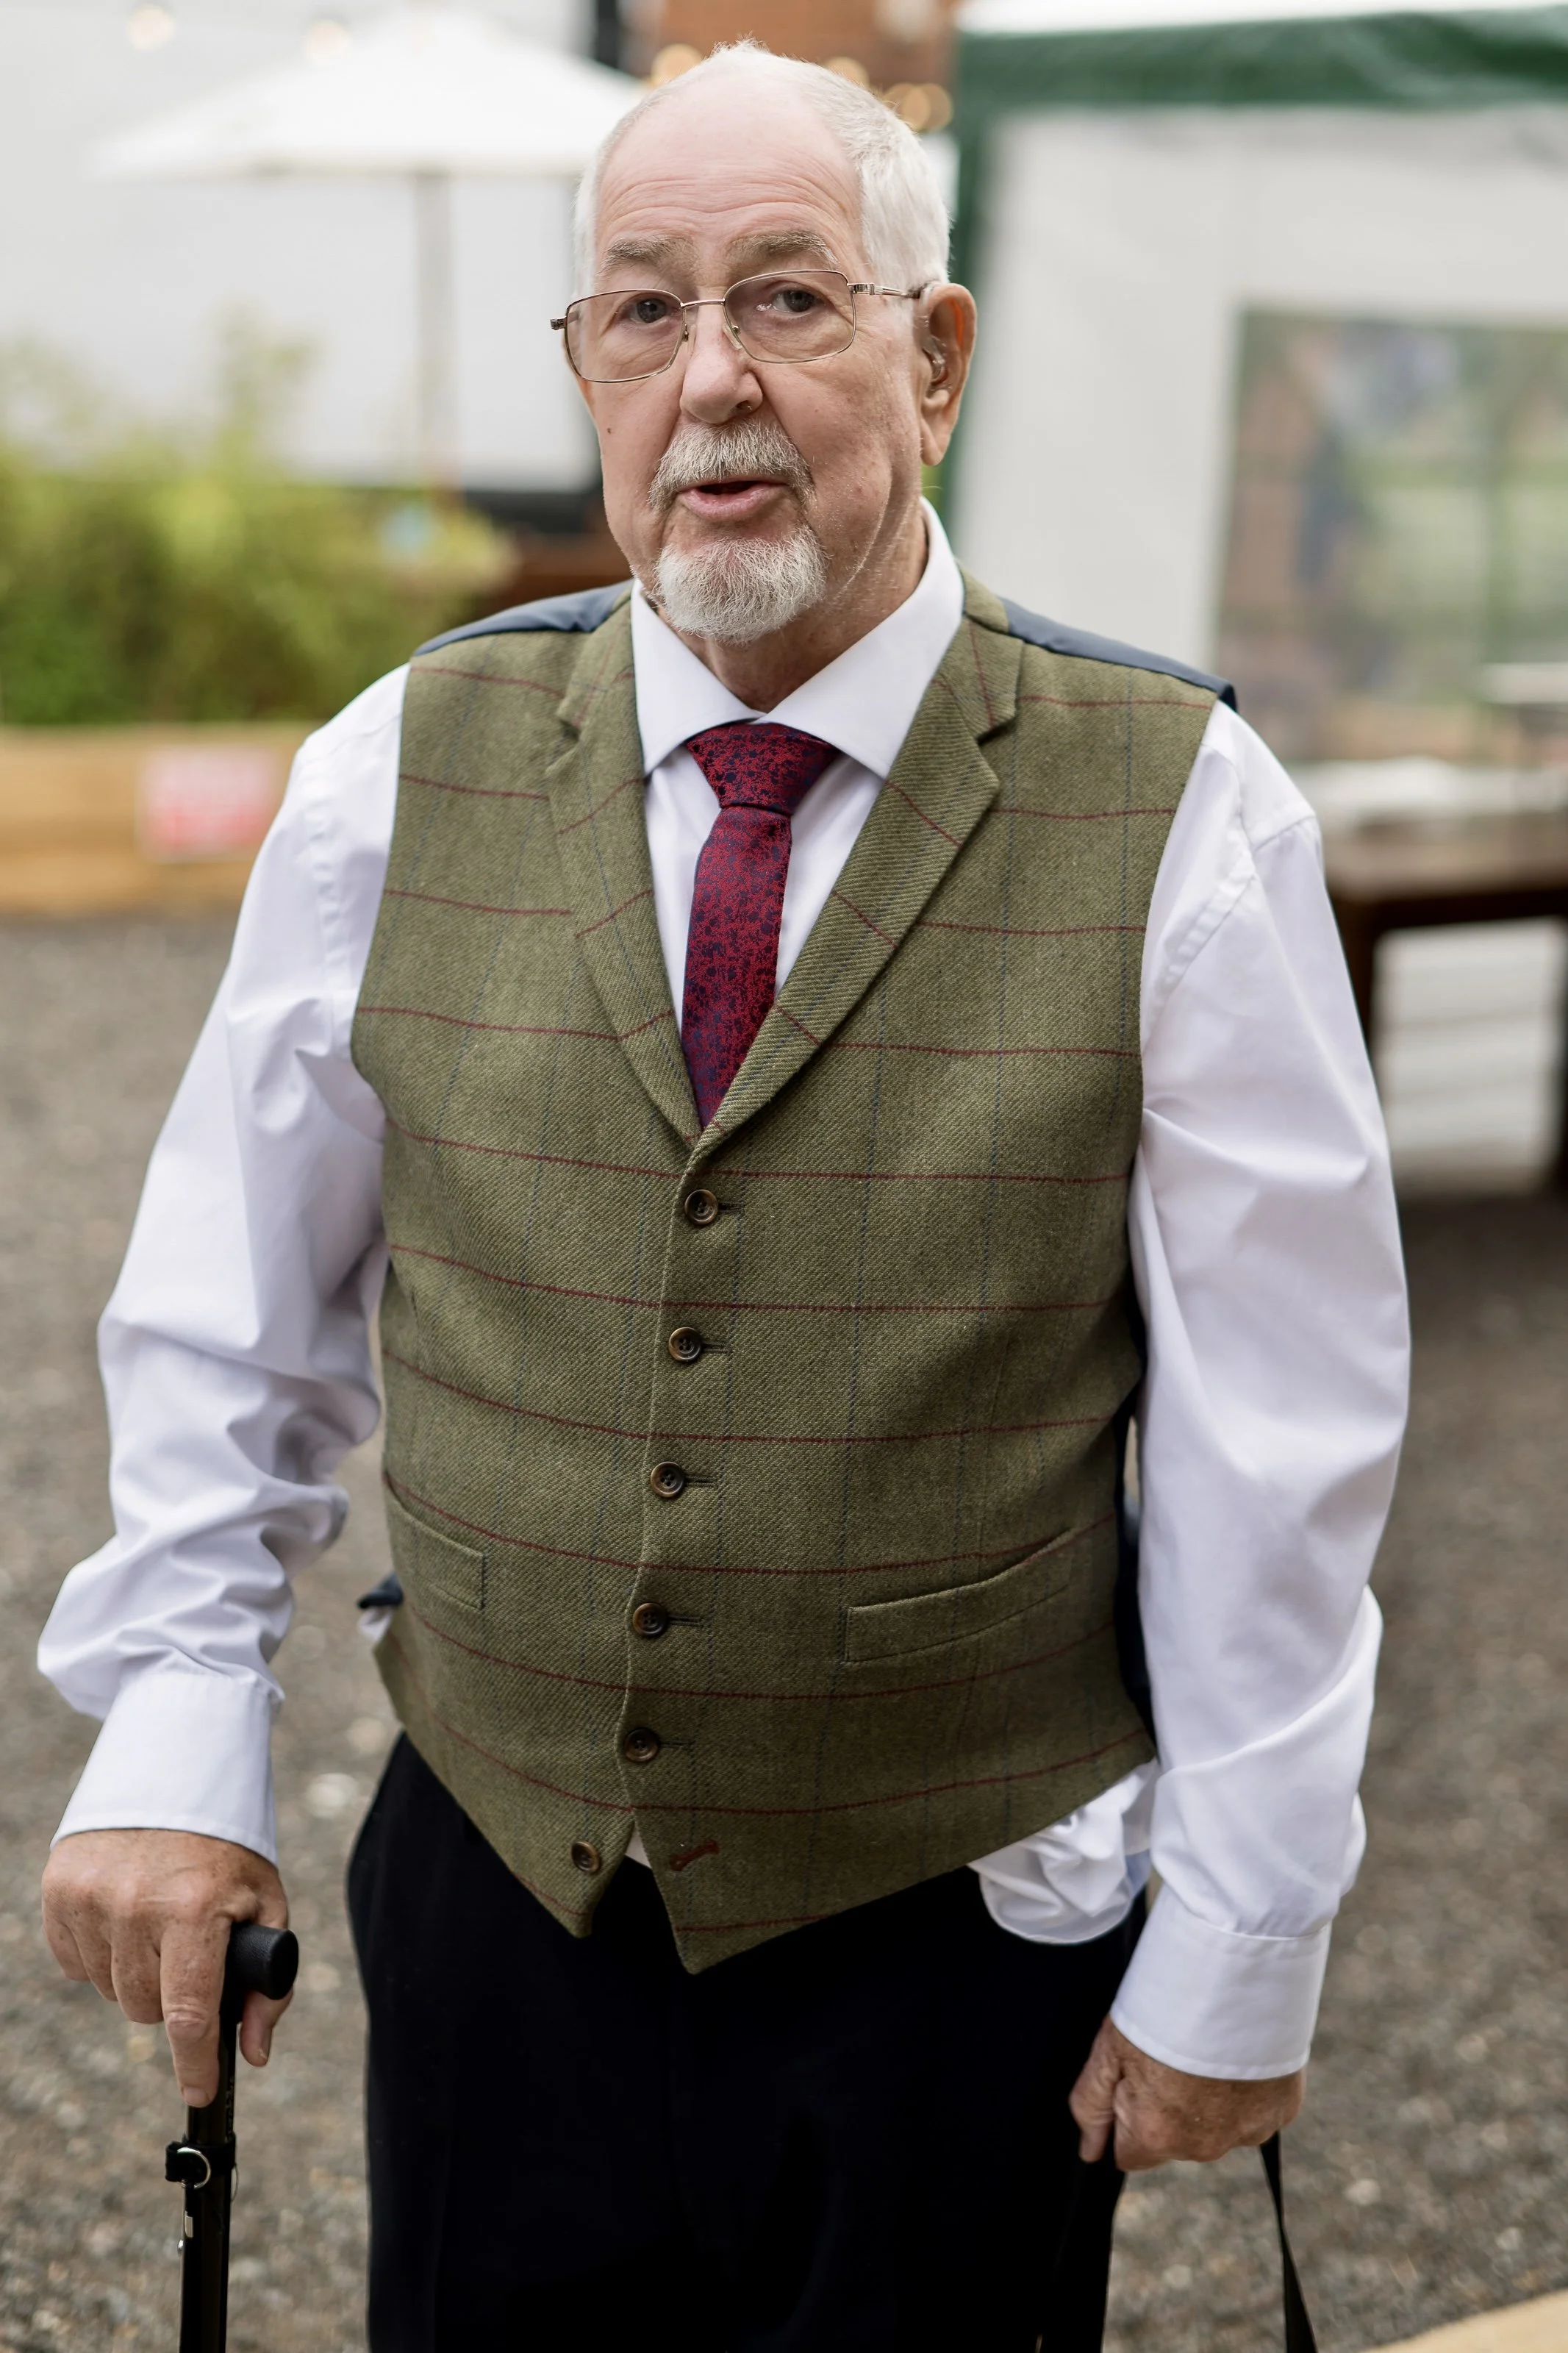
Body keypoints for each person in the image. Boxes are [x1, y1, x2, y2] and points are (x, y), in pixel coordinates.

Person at [37, 43, 1408, 2353]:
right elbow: (222, 1314)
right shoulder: (394, 770)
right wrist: (177, 1733)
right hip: (498, 1907)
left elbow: (1277, 1440)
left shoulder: (1180, 807)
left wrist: (1240, 1939)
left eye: (785, 297)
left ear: (933, 358)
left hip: (958, 1930)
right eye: (641, 310)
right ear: (584, 366)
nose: (709, 382)